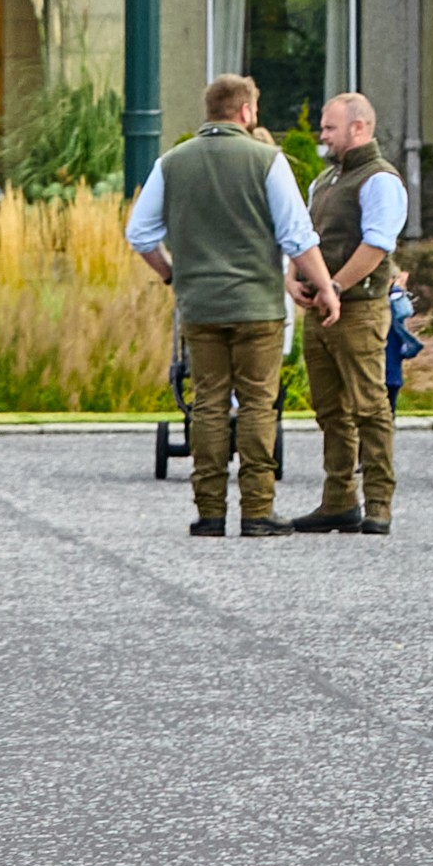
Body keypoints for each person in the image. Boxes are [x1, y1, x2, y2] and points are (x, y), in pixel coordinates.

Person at [129, 73, 342, 540]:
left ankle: (208, 511)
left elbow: (140, 234)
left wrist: (171, 274)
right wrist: (324, 286)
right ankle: (257, 509)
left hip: (199, 305)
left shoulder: (172, 162)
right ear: (245, 112)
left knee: (207, 403)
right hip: (258, 305)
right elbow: (296, 235)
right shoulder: (267, 159)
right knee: (257, 404)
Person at [290, 91, 410, 536]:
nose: (322, 135)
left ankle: (378, 502)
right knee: (329, 409)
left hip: (358, 308)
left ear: (359, 128)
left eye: (329, 127)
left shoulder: (379, 180)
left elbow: (378, 245)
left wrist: (334, 285)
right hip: (321, 308)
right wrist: (293, 279)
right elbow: (303, 234)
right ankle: (338, 499)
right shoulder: (324, 182)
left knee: (369, 406)